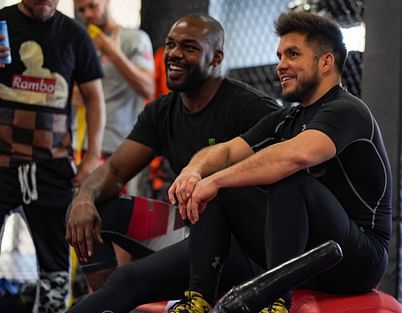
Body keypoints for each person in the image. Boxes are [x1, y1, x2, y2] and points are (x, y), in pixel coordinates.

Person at [168, 11, 392, 313]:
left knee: (290, 180)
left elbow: (295, 155)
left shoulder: (348, 110)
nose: (281, 65)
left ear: (326, 62)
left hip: (357, 259)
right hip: (306, 254)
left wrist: (216, 180)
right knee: (220, 181)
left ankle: (275, 302)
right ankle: (199, 300)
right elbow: (225, 152)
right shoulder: (287, 118)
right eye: (279, 56)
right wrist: (194, 172)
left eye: (293, 54)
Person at [65, 14, 279, 312]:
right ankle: (110, 299)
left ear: (216, 57)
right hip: (191, 228)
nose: (175, 54)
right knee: (93, 211)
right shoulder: (163, 110)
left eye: (189, 47)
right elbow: (114, 171)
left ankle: (118, 294)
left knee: (128, 278)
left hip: (240, 248)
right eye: (170, 45)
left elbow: (284, 193)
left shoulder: (252, 109)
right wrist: (83, 199)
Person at [0, 0, 105, 312]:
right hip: (1, 162)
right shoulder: (2, 25)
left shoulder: (73, 34)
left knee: (55, 269)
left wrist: (92, 157)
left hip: (50, 166)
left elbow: (94, 98)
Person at [72, 0, 155, 287]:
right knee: (81, 226)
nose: (88, 15)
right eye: (81, 10)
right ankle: (93, 297)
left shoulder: (134, 38)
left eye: (92, 7)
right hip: (80, 147)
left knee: (116, 225)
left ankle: (120, 295)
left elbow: (148, 87)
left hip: (122, 151)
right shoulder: (79, 41)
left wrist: (111, 51)